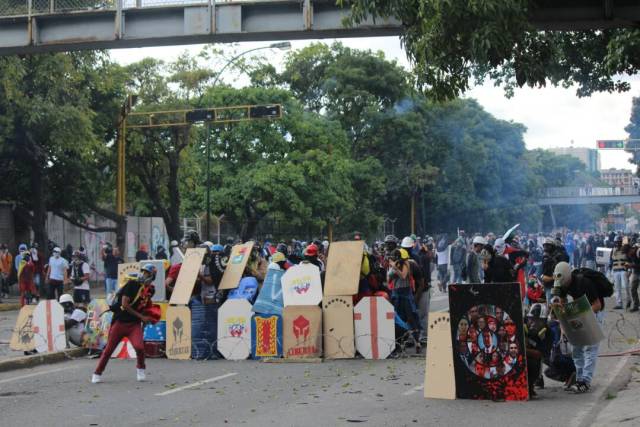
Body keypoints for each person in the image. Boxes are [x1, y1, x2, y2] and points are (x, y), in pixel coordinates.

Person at [92, 264, 157, 383]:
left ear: (152, 277)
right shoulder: (132, 284)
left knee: (139, 347)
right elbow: (125, 304)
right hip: (120, 322)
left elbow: (146, 305)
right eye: (143, 272)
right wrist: (141, 316)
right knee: (108, 350)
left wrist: (151, 315)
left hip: (134, 324)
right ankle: (97, 372)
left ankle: (140, 369)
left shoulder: (150, 290)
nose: (143, 275)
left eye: (147, 274)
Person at [551, 261, 605, 393]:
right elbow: (563, 304)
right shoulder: (562, 284)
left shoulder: (584, 283)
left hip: (593, 312)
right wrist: (564, 325)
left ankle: (585, 381)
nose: (561, 286)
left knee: (590, 348)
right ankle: (579, 378)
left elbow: (597, 305)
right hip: (579, 312)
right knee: (577, 348)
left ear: (567, 277)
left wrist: (580, 316)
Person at [388, 248, 420, 353]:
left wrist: (394, 267)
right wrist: (392, 268)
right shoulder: (393, 266)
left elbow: (403, 276)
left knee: (410, 318)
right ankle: (400, 343)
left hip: (405, 294)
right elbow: (388, 279)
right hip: (396, 294)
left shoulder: (406, 263)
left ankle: (417, 342)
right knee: (398, 319)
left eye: (395, 257)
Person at [609, 235, 631, 309]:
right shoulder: (613, 250)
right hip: (615, 271)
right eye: (616, 242)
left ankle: (629, 300)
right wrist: (610, 271)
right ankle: (619, 303)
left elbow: (627, 240)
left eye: (619, 242)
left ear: (621, 242)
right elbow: (610, 261)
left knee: (626, 286)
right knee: (617, 288)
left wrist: (629, 270)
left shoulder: (625, 249)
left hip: (623, 270)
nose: (617, 244)